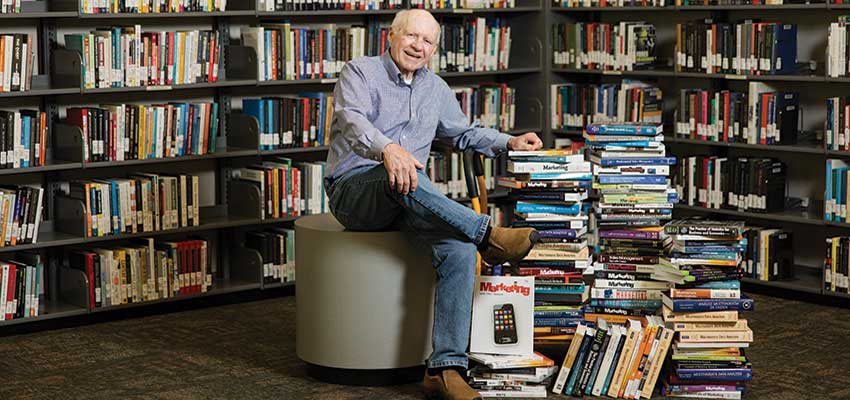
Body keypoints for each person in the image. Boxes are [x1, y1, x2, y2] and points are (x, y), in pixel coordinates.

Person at [323, 9, 543, 400]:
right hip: (355, 192)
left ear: (435, 49)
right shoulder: (360, 72)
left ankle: (445, 368)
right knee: (403, 167)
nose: (418, 47)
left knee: (458, 252)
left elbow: (464, 134)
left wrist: (509, 142)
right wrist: (387, 149)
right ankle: (487, 234)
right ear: (391, 35)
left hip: (409, 199)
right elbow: (351, 122)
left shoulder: (436, 88)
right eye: (411, 37)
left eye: (427, 42)